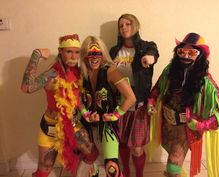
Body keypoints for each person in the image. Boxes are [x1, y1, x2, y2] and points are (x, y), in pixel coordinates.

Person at [147, 32, 219, 177]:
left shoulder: (205, 81)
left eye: (192, 52)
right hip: (166, 127)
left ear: (200, 56)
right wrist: (151, 103)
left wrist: (202, 125)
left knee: (173, 164)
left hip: (184, 130)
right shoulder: (169, 71)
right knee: (174, 162)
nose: (186, 56)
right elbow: (156, 90)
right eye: (182, 51)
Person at [21, 34, 99, 177]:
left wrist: (87, 115)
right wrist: (36, 55)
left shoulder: (79, 73)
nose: (73, 56)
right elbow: (26, 87)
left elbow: (77, 100)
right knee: (45, 168)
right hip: (51, 127)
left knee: (92, 154)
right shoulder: (52, 74)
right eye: (69, 51)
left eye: (76, 52)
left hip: (73, 124)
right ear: (61, 52)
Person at [109, 13, 159, 177]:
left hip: (139, 106)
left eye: (128, 24)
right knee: (122, 143)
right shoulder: (114, 50)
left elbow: (153, 53)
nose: (124, 28)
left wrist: (149, 58)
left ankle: (139, 174)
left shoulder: (146, 47)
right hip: (119, 105)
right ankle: (127, 172)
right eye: (121, 25)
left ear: (135, 25)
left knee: (137, 148)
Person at [79, 36, 136, 177]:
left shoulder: (110, 71)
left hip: (107, 126)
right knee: (91, 167)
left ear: (102, 54)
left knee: (112, 168)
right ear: (85, 55)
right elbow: (75, 98)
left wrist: (116, 114)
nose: (94, 58)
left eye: (97, 53)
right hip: (88, 126)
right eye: (90, 54)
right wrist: (85, 113)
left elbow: (131, 97)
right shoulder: (81, 72)